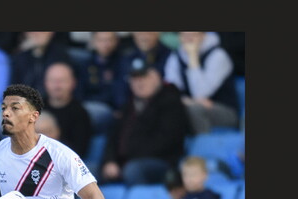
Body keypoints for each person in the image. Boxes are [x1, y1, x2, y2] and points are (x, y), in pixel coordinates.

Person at [101, 58, 190, 186]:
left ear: (156, 77)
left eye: (143, 77)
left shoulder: (170, 101)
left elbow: (167, 140)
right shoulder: (128, 106)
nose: (139, 83)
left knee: (133, 170)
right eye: (135, 79)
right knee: (86, 173)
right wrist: (110, 161)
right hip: (127, 162)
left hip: (161, 162)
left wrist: (127, 159)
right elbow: (113, 138)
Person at [163, 31, 240, 134]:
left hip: (225, 110)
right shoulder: (176, 57)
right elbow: (170, 91)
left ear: (203, 35)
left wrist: (193, 58)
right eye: (185, 36)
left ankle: (204, 147)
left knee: (195, 110)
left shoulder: (219, 55)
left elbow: (201, 93)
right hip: (190, 105)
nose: (189, 40)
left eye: (193, 35)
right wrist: (188, 101)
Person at [42, 61, 93, 158]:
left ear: (73, 83)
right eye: (52, 81)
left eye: (62, 81)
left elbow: (78, 151)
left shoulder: (80, 113)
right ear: (45, 83)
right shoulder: (35, 108)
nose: (57, 86)